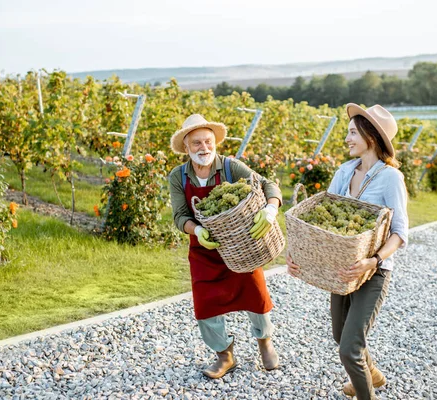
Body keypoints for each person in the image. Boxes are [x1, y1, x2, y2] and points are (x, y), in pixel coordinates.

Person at [287, 104, 409, 399]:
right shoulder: (344, 171)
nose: (346, 138)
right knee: (340, 336)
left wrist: (373, 260)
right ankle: (372, 375)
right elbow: (321, 223)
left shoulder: (391, 178)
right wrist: (295, 255)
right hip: (343, 270)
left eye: (353, 132)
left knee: (350, 348)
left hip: (374, 270)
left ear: (371, 136)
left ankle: (365, 390)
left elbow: (400, 233)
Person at [168, 114, 283, 379]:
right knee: (205, 302)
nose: (203, 148)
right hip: (203, 249)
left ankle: (265, 342)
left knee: (256, 293)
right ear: (186, 147)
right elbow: (179, 216)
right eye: (196, 143)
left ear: (215, 143)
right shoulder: (178, 177)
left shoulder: (231, 167)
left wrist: (270, 209)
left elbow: (268, 185)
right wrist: (197, 229)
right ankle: (224, 355)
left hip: (240, 246)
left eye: (208, 141)